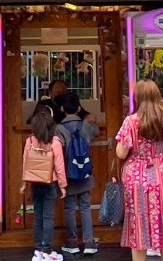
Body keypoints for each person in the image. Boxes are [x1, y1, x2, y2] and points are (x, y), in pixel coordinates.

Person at [115, 80, 163, 261]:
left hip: (137, 178)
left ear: (137, 97)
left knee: (138, 224)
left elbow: (121, 153)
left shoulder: (131, 121)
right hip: (162, 175)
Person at [21, 106, 68, 261]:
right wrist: (63, 185)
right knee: (48, 218)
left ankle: (38, 250)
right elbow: (59, 166)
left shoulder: (29, 141)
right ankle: (46, 250)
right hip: (50, 183)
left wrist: (24, 183)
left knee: (38, 217)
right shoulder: (55, 142)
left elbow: (26, 163)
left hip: (35, 182)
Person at [57, 92, 100, 256]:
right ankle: (89, 242)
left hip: (68, 172)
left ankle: (72, 242)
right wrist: (90, 119)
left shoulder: (58, 129)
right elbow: (96, 132)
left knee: (69, 207)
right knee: (85, 206)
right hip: (85, 171)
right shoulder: (86, 126)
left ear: (62, 108)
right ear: (79, 108)